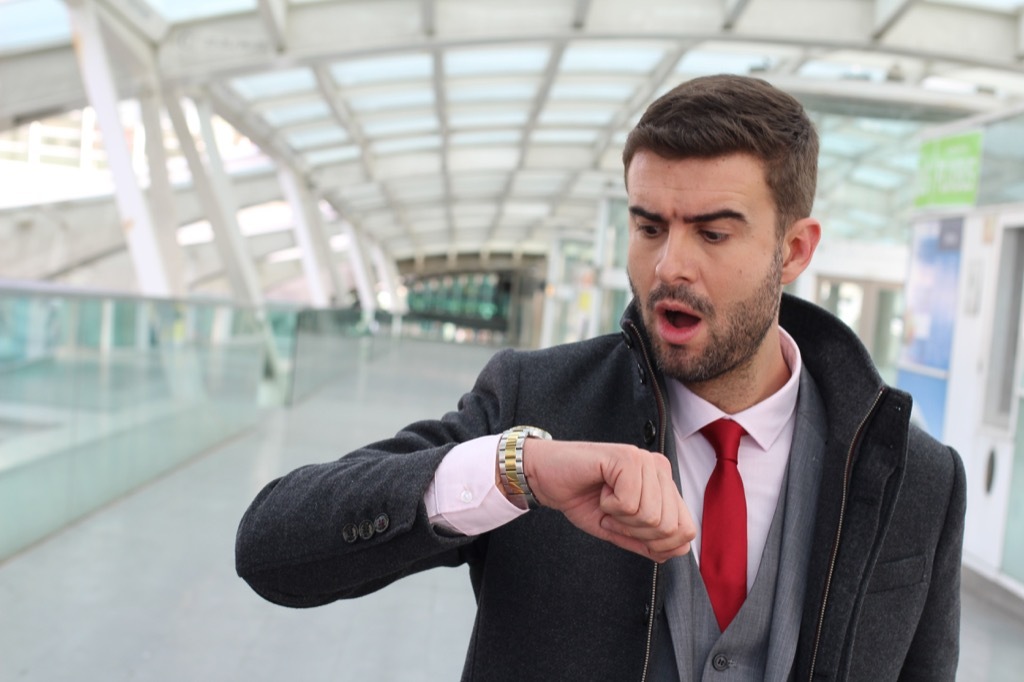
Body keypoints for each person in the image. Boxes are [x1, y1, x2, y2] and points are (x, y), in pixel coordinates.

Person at [236, 74, 965, 681]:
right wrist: (514, 470)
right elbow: (273, 548)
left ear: (795, 248)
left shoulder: (914, 477)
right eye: (649, 227)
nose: (669, 266)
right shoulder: (537, 404)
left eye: (712, 232)